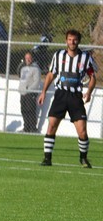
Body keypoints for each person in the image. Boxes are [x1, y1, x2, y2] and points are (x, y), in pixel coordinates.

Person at [37, 29, 96, 168]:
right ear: (66, 41)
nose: (72, 42)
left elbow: (92, 77)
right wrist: (43, 92)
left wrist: (89, 92)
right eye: (69, 39)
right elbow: (51, 74)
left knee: (82, 131)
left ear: (78, 41)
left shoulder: (85, 58)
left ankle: (83, 158)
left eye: (74, 40)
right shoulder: (58, 55)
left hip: (76, 97)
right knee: (51, 125)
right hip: (60, 95)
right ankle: (47, 158)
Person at [18, 51, 43, 133]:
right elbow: (22, 79)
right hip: (23, 93)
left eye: (29, 58)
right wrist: (21, 88)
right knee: (23, 110)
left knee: (30, 110)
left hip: (31, 93)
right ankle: (26, 128)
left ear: (32, 58)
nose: (28, 60)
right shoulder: (23, 69)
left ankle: (33, 129)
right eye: (26, 58)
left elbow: (37, 81)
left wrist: (29, 89)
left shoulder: (36, 69)